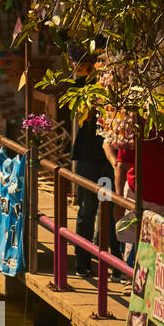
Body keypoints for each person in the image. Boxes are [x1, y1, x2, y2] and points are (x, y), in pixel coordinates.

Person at [71, 62, 118, 278]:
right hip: (89, 160)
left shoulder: (120, 94)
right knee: (87, 210)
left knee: (108, 214)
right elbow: (74, 84)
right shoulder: (84, 88)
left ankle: (110, 263)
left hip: (107, 163)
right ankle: (82, 263)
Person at [106, 124, 164, 227]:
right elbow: (122, 165)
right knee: (136, 241)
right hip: (138, 199)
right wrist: (119, 202)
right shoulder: (136, 126)